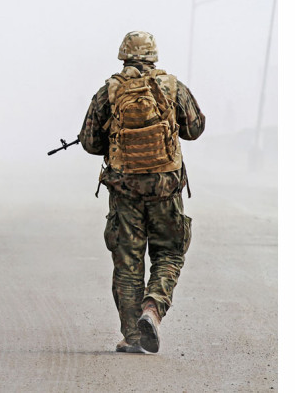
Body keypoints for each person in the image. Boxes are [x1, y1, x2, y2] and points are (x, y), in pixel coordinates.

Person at [78, 31, 205, 354]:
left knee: (127, 262)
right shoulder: (172, 87)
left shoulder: (109, 91)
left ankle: (134, 337)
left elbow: (91, 142)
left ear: (123, 55)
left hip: (124, 188)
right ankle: (153, 308)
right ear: (154, 56)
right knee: (169, 253)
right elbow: (194, 129)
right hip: (166, 187)